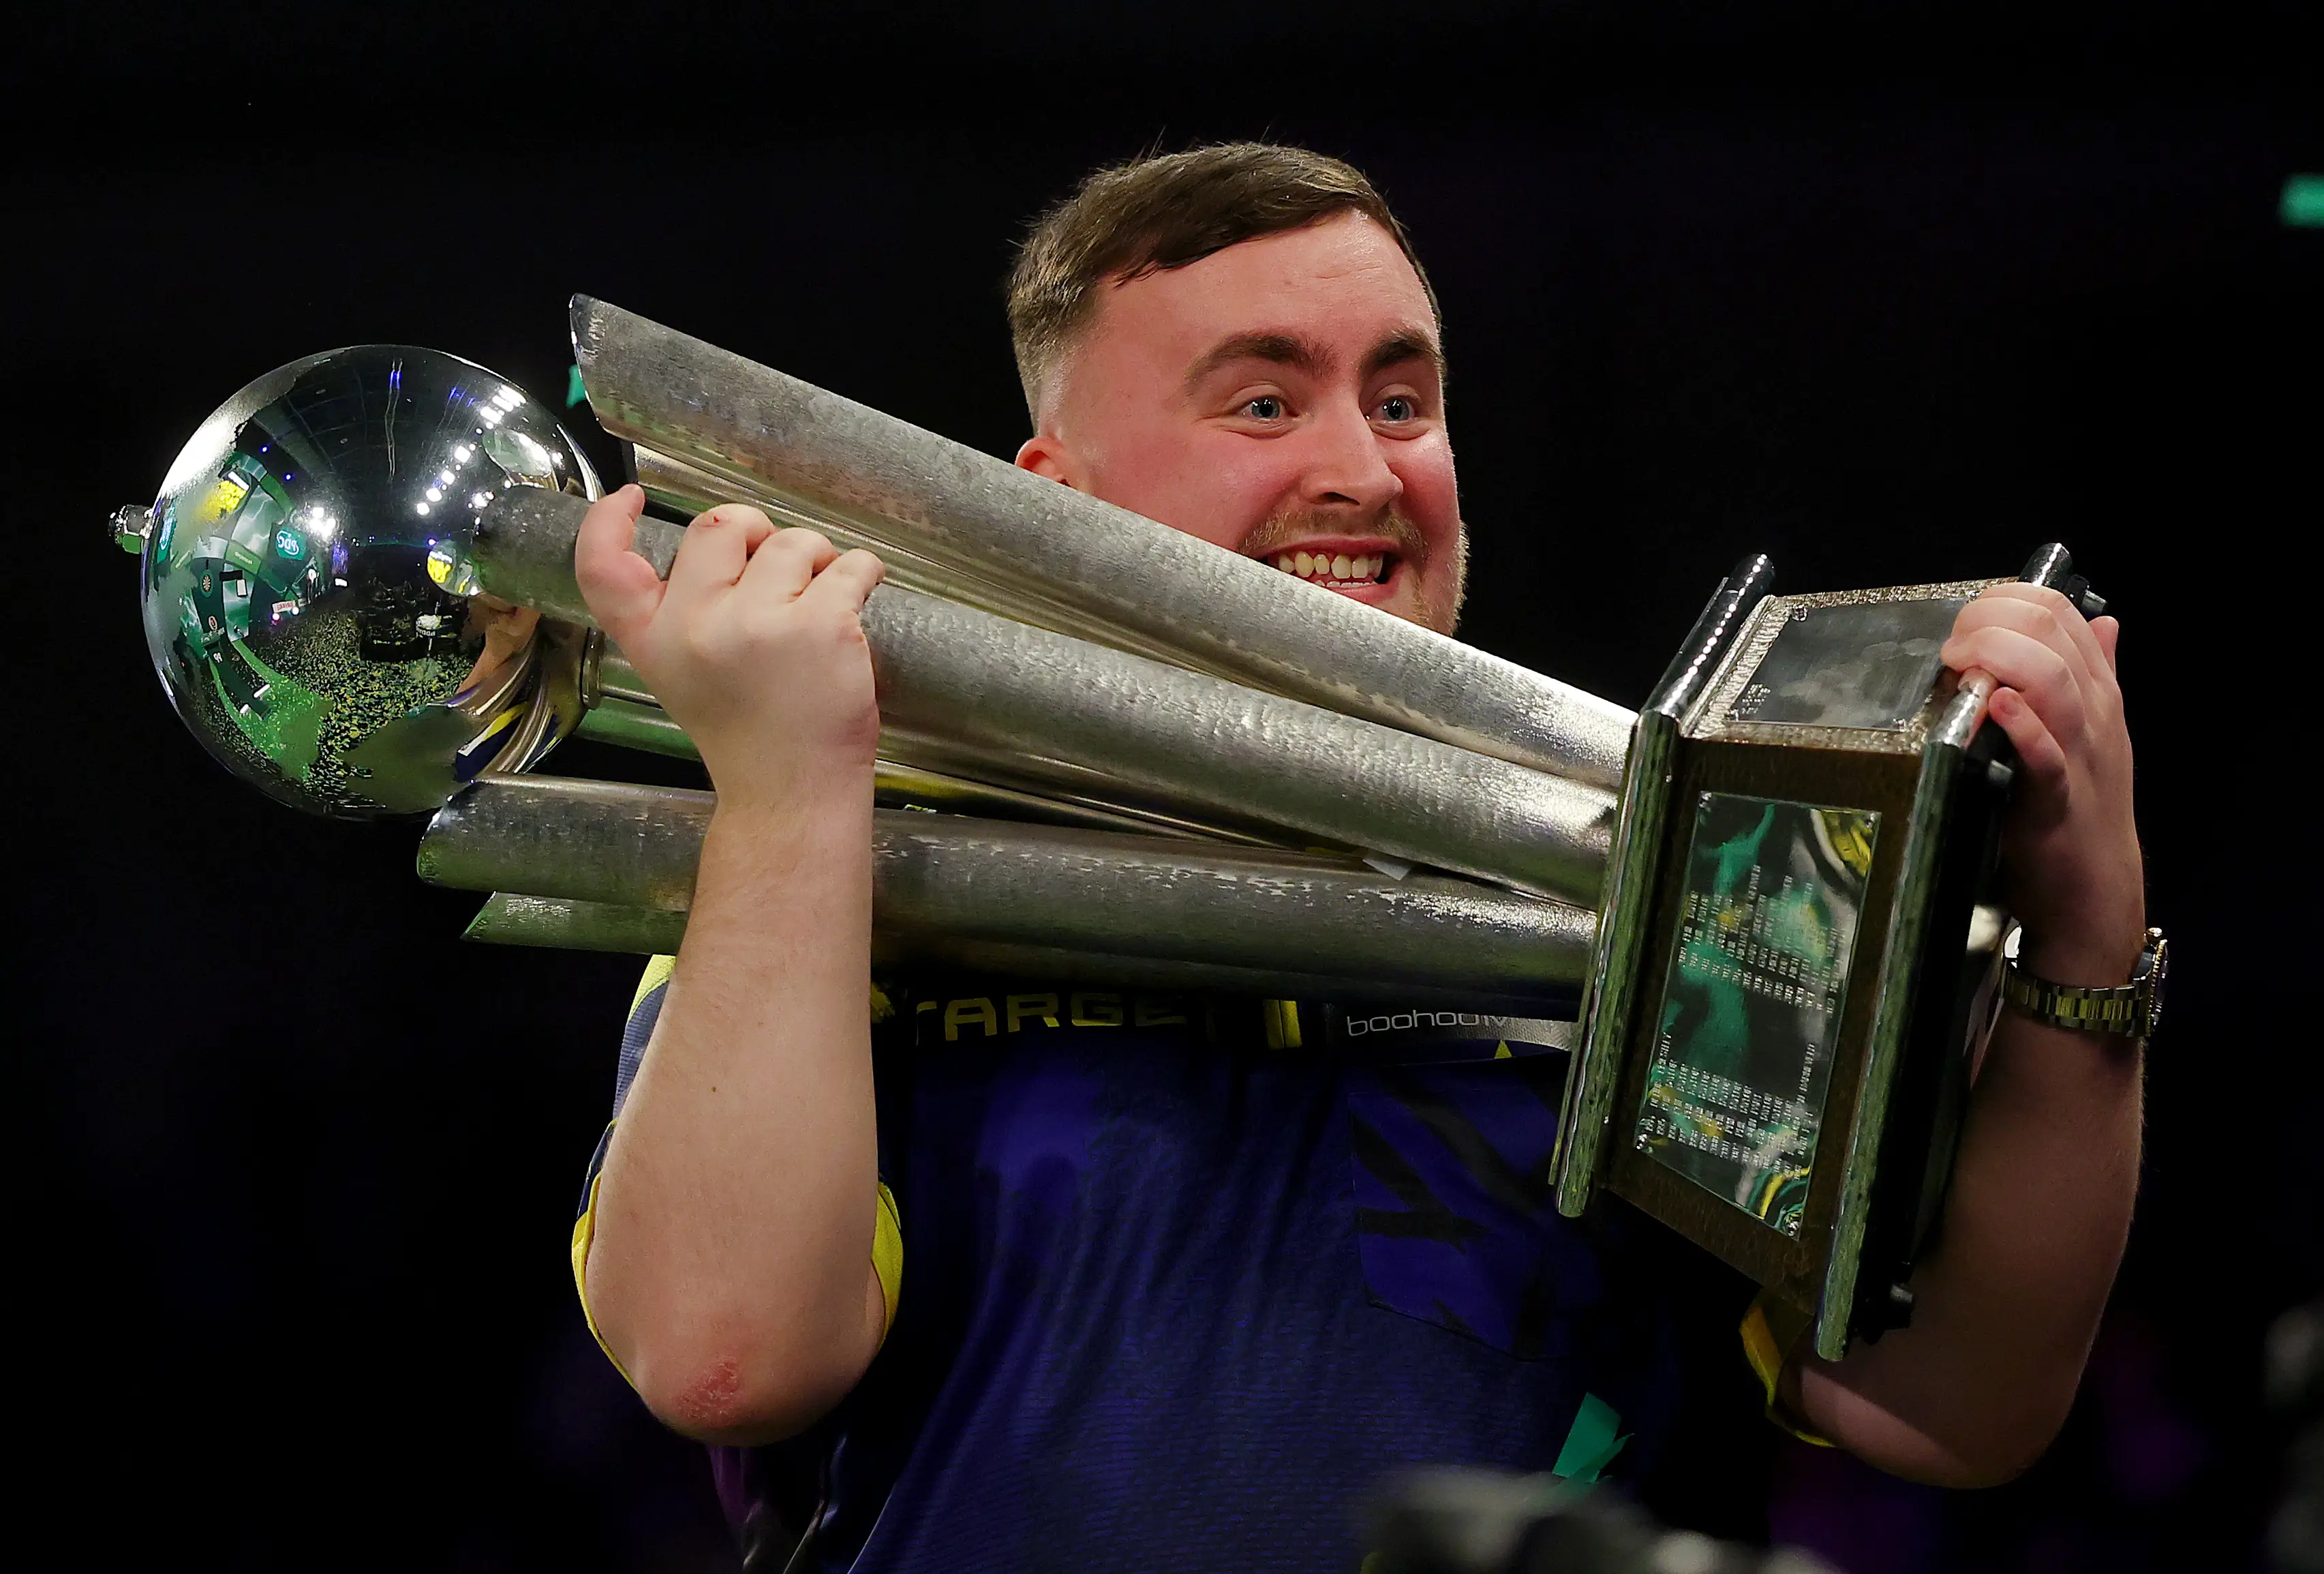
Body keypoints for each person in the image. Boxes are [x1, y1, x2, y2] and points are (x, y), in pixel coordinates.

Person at [565, 145, 2147, 1570]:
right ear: (1049, 498)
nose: (1365, 468)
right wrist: (783, 793)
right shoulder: (849, 872)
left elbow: (1947, 1407)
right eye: (1263, 401)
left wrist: (2087, 941)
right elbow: (721, 1352)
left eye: (1400, 399)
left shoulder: (1681, 887)